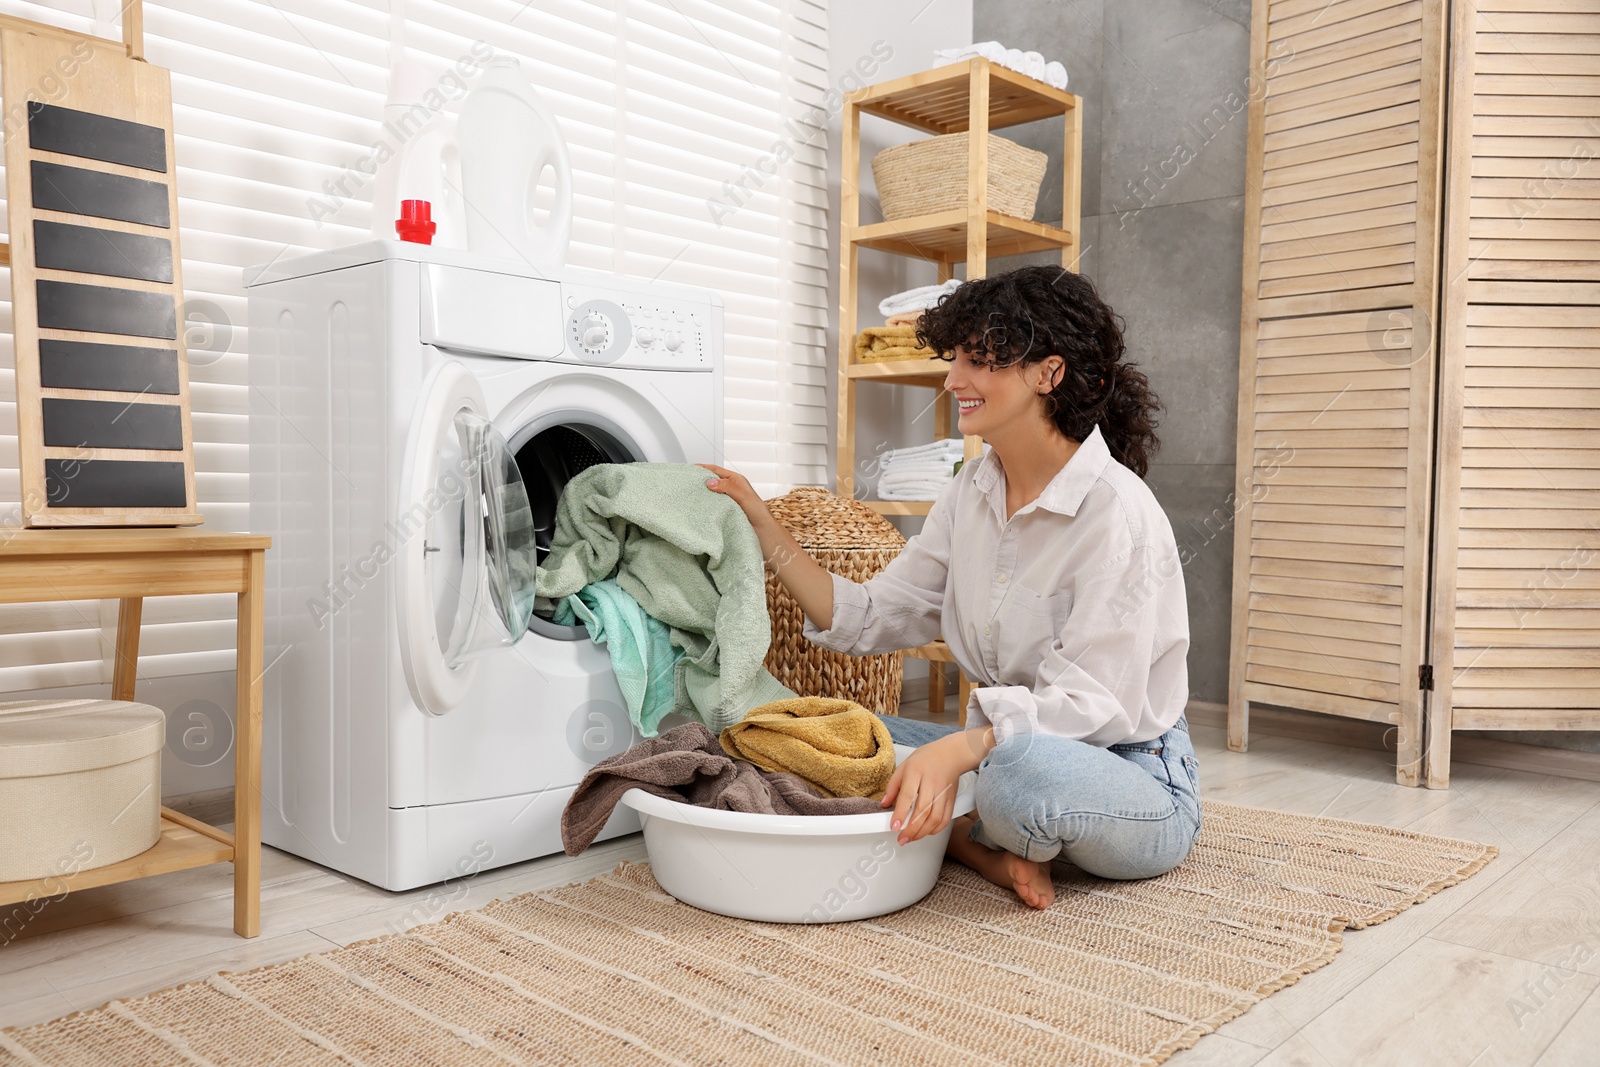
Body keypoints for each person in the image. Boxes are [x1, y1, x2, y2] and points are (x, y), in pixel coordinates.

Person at [702, 264, 1198, 910]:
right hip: (998, 753)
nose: (952, 379)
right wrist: (763, 526)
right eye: (955, 356)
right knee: (813, 733)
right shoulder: (971, 492)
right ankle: (975, 841)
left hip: (1130, 774)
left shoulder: (1118, 514)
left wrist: (959, 753)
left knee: (1018, 779)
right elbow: (874, 613)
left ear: (1049, 373)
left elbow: (1089, 706)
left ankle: (967, 820)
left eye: (979, 359)